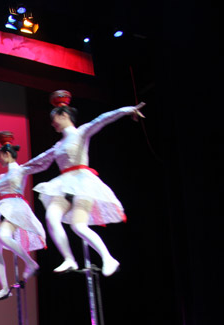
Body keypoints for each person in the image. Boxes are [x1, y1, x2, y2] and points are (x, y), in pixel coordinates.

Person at [32, 90, 145, 276]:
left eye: (54, 119)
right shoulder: (58, 146)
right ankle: (69, 259)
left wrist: (127, 110)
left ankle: (108, 258)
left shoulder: (81, 132)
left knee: (78, 226)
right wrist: (16, 171)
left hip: (83, 183)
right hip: (63, 186)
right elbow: (39, 162)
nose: (52, 124)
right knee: (51, 217)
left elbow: (102, 119)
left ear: (64, 115)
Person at [0, 132, 47, 300]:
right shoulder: (2, 176)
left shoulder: (21, 170)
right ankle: (4, 288)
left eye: (0, 156)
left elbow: (41, 164)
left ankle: (30, 263)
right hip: (3, 208)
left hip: (15, 207)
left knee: (3, 236)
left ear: (7, 154)